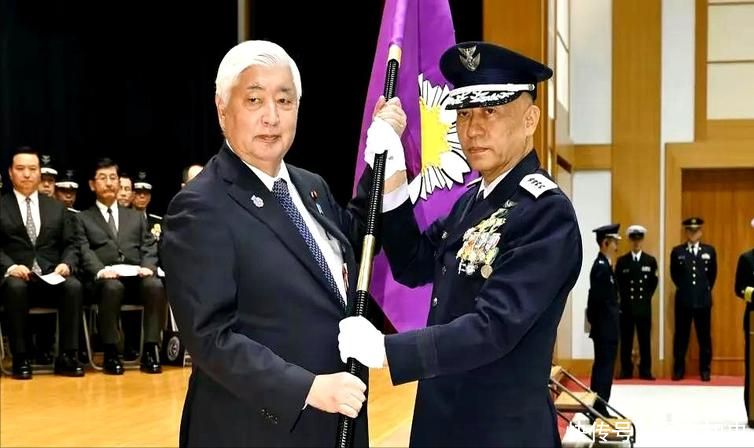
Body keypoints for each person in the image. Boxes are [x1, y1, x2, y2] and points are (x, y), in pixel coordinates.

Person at [338, 42, 582, 447]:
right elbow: (413, 263)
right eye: (464, 113)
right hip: (440, 422)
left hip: (501, 432)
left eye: (490, 111)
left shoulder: (545, 214)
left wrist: (386, 350)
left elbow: (493, 327)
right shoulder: (472, 202)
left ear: (530, 119)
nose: (473, 129)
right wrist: (393, 176)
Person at [161, 40, 375, 447]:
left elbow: (353, 243)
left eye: (285, 100)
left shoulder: (310, 186)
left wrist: (384, 169)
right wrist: (307, 388)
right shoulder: (201, 206)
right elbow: (209, 337)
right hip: (255, 427)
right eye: (254, 100)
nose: (272, 117)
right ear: (222, 110)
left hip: (335, 420)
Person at [75, 158, 166, 375]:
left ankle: (150, 349)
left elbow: (148, 246)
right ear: (92, 185)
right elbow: (83, 250)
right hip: (103, 281)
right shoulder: (83, 218)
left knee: (155, 285)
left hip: (135, 277)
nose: (109, 183)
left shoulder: (136, 217)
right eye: (103, 178)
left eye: (113, 178)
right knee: (112, 287)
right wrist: (101, 270)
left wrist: (148, 266)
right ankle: (110, 351)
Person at [0, 147, 84, 379]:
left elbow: (71, 244)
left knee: (73, 286)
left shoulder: (56, 207)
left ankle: (67, 356)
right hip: (15, 278)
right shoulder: (1, 205)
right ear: (10, 173)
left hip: (49, 277)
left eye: (32, 169)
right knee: (15, 287)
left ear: (40, 172)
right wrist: (10, 267)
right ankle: (21, 357)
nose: (27, 174)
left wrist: (66, 263)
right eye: (20, 169)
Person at [671, 217, 717, 381]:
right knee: (681, 337)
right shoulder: (678, 252)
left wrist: (702, 290)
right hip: (684, 301)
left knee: (704, 337)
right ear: (686, 232)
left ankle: (705, 370)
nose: (693, 233)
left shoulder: (709, 251)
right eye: (690, 230)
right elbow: (675, 276)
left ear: (700, 232)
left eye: (696, 230)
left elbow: (712, 276)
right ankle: (679, 370)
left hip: (703, 301)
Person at [585, 223, 621, 416]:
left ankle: (599, 406)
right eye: (614, 242)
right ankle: (598, 407)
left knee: (604, 367)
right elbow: (597, 301)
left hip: (607, 328)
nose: (616, 246)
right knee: (603, 369)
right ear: (606, 243)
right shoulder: (600, 267)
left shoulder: (605, 265)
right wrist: (599, 326)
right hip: (604, 329)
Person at [615, 224, 658, 380]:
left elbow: (653, 283)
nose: (636, 243)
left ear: (642, 240)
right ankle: (626, 370)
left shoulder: (650, 261)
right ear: (630, 241)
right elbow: (618, 283)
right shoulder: (622, 262)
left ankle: (645, 370)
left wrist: (645, 298)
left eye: (639, 240)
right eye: (634, 240)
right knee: (626, 340)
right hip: (627, 307)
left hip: (643, 307)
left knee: (644, 340)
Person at [734, 218, 754, 428]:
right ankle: (753, 412)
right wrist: (753, 294)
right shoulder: (747, 259)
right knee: (753, 367)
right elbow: (739, 288)